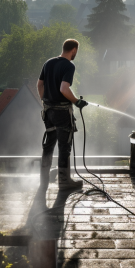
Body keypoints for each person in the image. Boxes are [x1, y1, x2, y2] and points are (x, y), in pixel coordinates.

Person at [37, 39, 88, 192]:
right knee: (64, 146)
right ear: (73, 49)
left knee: (49, 145)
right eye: (76, 51)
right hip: (62, 113)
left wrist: (45, 101)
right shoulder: (69, 66)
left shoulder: (49, 63)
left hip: (48, 112)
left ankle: (43, 181)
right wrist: (76, 102)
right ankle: (64, 182)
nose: (75, 54)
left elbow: (40, 84)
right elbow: (64, 89)